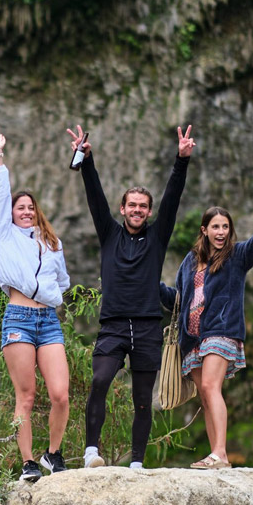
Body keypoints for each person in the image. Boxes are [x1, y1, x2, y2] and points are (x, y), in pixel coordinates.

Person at [67, 125, 195, 469]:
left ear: (149, 212)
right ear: (123, 209)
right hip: (113, 326)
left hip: (148, 326)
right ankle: (92, 452)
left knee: (142, 399)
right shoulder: (109, 234)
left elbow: (173, 198)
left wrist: (181, 160)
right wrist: (87, 160)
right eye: (132, 205)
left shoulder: (156, 238)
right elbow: (94, 196)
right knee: (100, 380)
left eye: (143, 206)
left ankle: (137, 462)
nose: (138, 210)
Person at [161, 190, 253, 469]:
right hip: (192, 338)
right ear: (204, 230)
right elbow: (178, 301)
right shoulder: (189, 262)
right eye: (215, 226)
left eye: (225, 227)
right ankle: (217, 456)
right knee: (205, 396)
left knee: (209, 385)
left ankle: (219, 452)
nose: (221, 232)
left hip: (222, 330)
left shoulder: (237, 255)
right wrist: (151, 285)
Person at [0, 133, 71, 481]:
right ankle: (28, 463)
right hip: (18, 317)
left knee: (60, 394)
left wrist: (52, 295)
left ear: (37, 212)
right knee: (27, 395)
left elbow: (62, 280)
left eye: (30, 207)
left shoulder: (52, 242)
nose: (25, 211)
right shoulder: (3, 235)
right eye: (20, 207)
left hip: (48, 318)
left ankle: (52, 454)